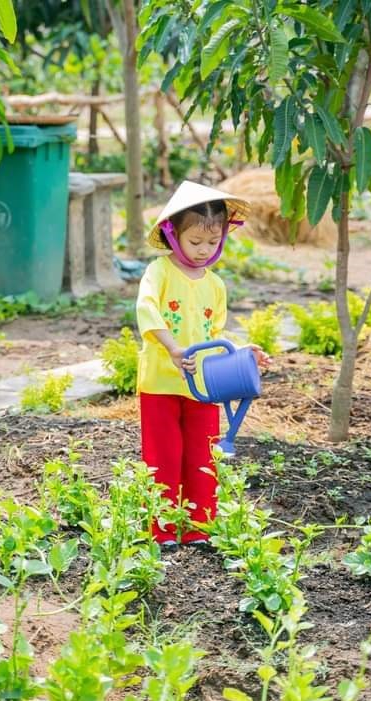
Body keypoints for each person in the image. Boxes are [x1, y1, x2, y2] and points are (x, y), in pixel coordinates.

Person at [135, 181, 273, 547]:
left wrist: (245, 353)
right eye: (195, 242)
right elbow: (146, 309)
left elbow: (217, 332)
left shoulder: (215, 284)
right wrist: (173, 348)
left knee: (202, 457)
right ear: (171, 234)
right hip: (160, 384)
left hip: (203, 386)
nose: (203, 251)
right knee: (163, 455)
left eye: (212, 243)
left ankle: (199, 527)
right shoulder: (159, 273)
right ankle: (162, 529)